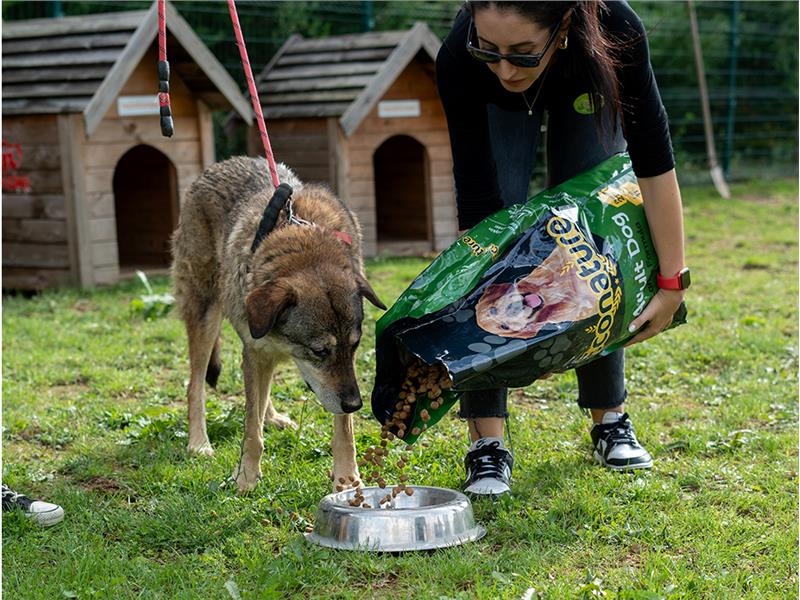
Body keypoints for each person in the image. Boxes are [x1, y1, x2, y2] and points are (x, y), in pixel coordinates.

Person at [436, 0, 688, 496]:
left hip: (586, 82)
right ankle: (487, 442)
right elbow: (479, 211)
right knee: (496, 234)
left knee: (594, 238)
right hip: (497, 116)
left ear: (564, 25)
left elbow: (653, 163)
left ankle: (609, 417)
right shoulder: (461, 57)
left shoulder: (617, 29)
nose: (505, 68)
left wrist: (672, 283)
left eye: (523, 52)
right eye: (490, 49)